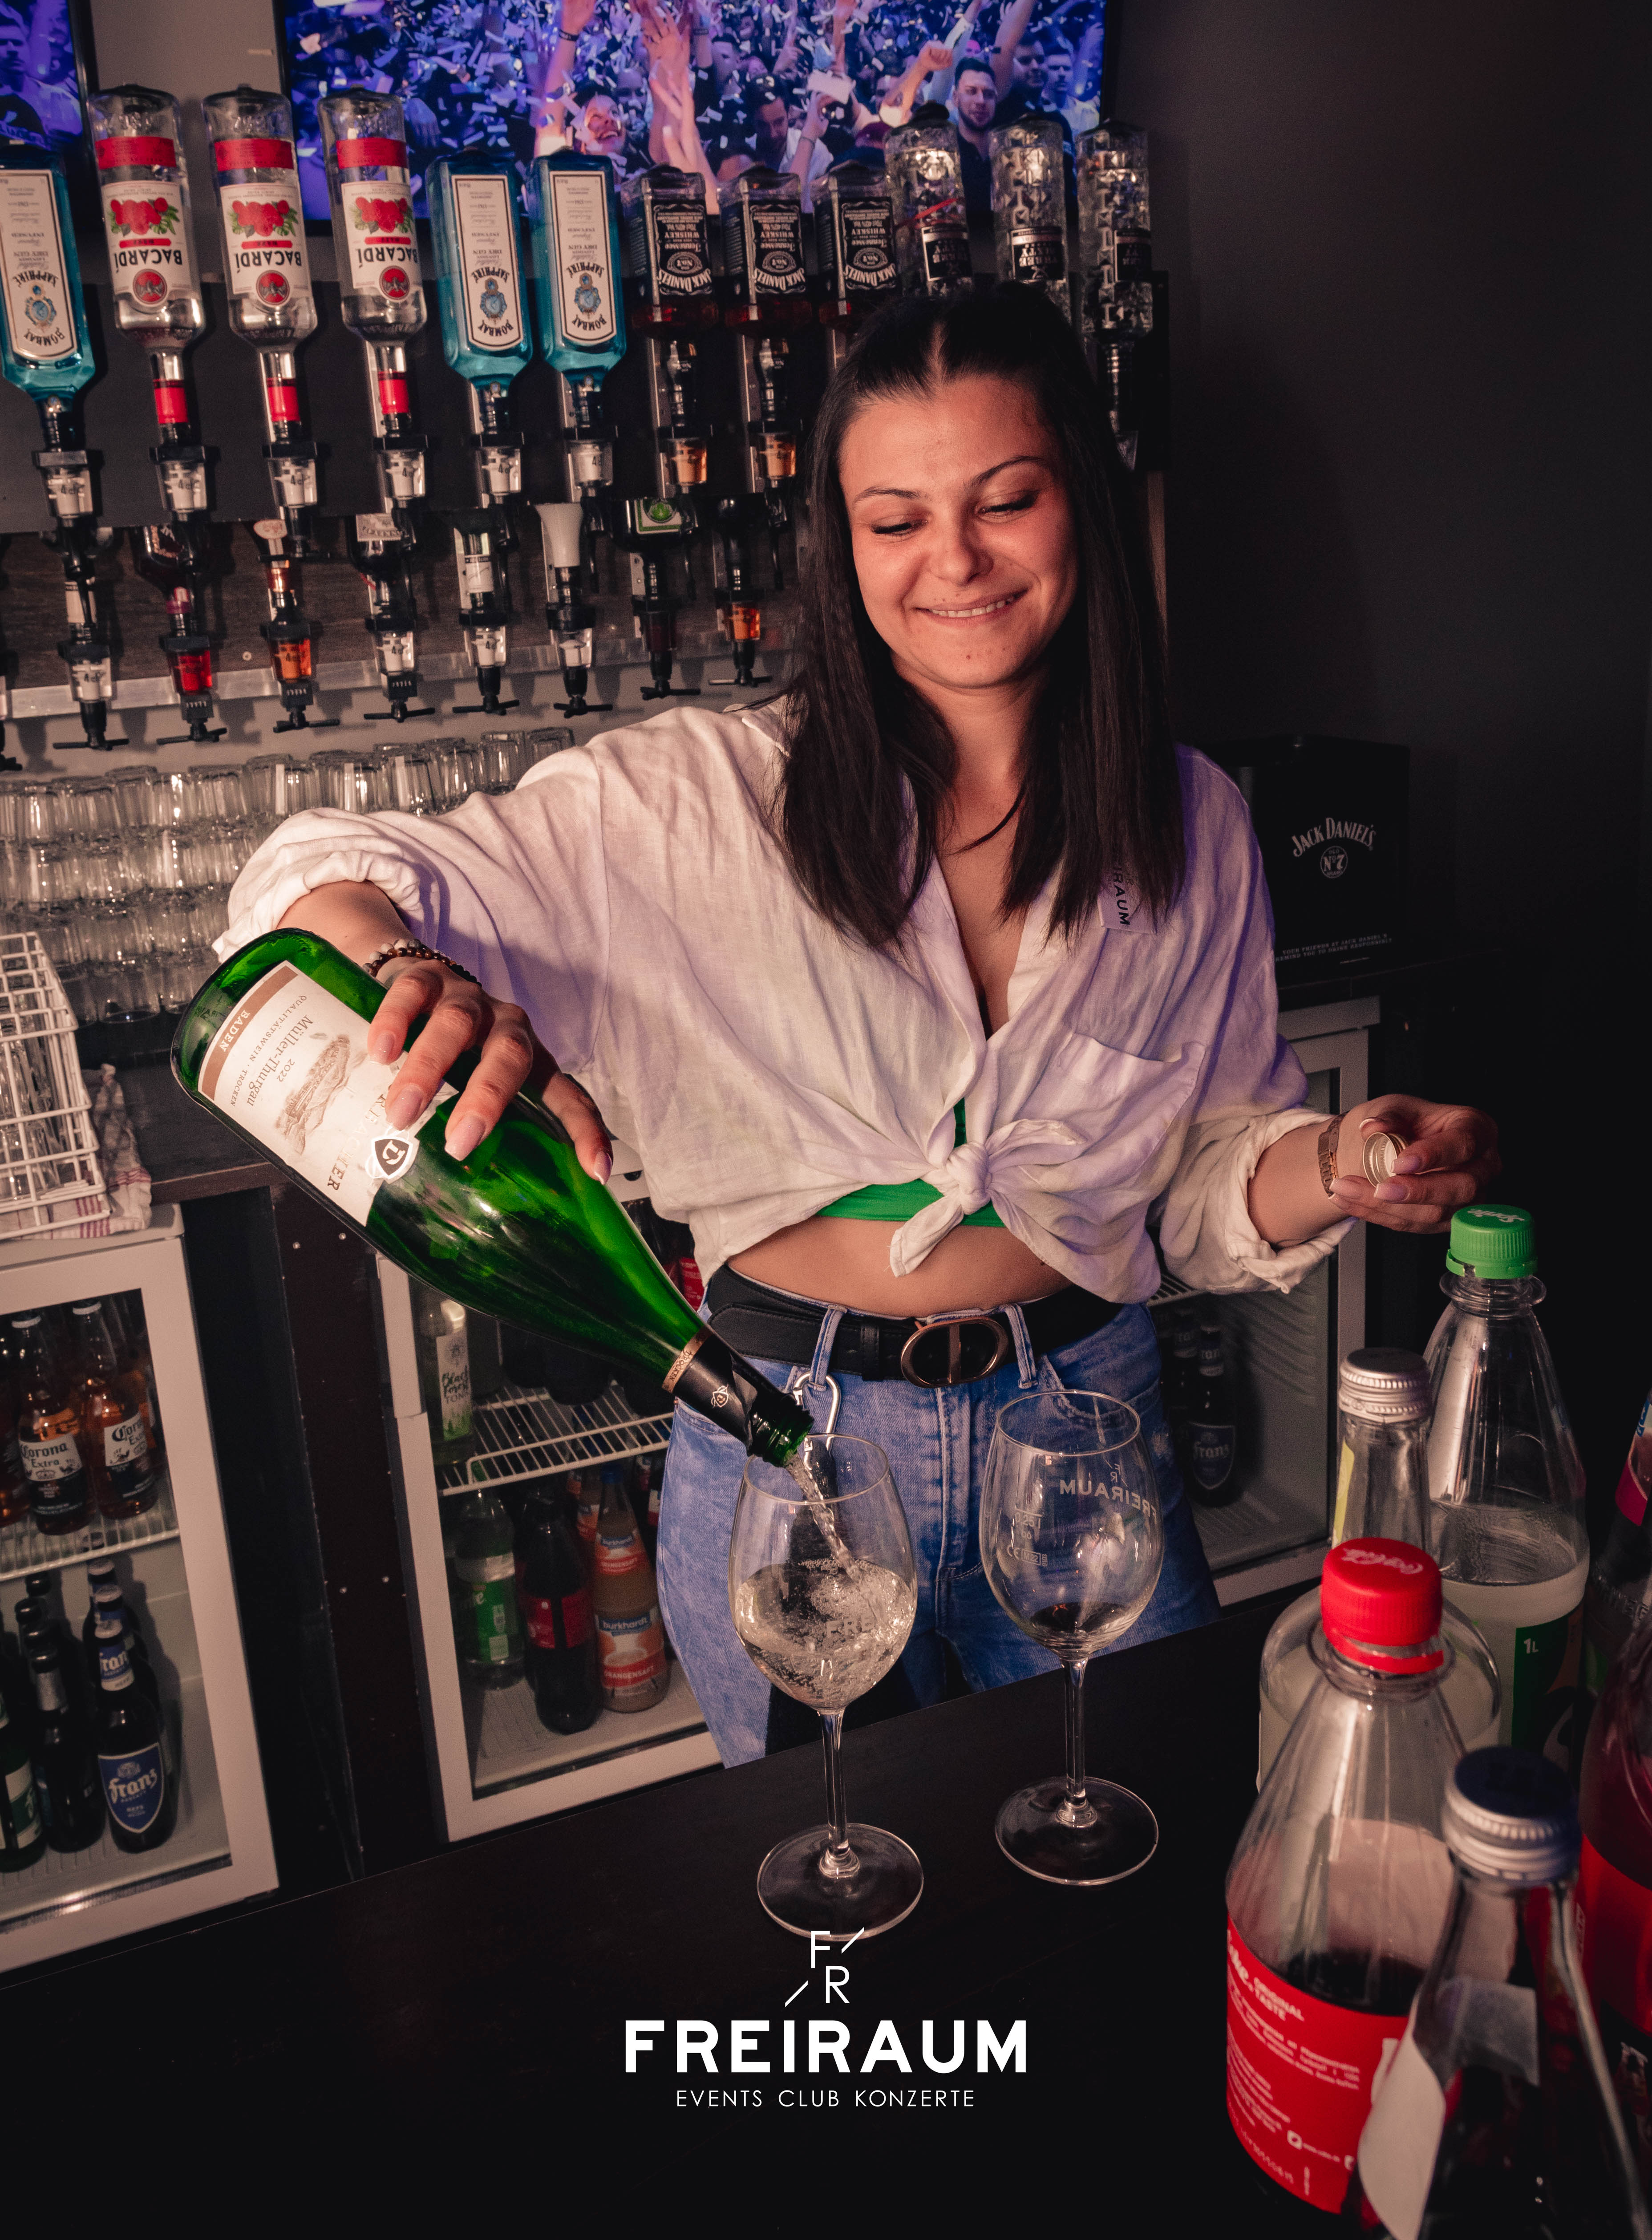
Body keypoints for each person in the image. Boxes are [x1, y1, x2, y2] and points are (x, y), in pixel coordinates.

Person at [222, 292, 1500, 1768]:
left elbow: (1200, 1183)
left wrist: (1336, 1163)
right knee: (845, 1868)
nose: (953, 558)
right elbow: (316, 874)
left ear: (1083, 505)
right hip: (792, 1437)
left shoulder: (1190, 819)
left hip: (1082, 1420)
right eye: (896, 520)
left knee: (1136, 1826)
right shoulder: (693, 801)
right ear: (843, 548)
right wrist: (400, 965)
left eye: (1004, 501)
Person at [952, 58, 998, 219]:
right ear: (956, 98)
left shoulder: (1007, 154)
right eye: (971, 92)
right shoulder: (947, 157)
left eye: (988, 94)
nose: (981, 101)